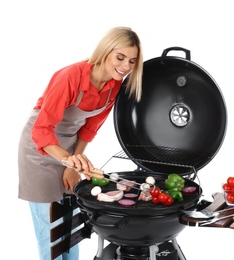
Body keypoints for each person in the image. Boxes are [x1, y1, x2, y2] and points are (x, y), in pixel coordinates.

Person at [18, 26, 143, 260]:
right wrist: (69, 160)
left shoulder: (114, 85)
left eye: (132, 61)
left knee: (71, 225)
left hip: (70, 149)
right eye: (120, 57)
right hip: (39, 151)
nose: (126, 66)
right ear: (106, 51)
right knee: (50, 229)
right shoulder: (70, 76)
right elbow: (41, 130)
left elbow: (88, 129)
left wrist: (71, 165)